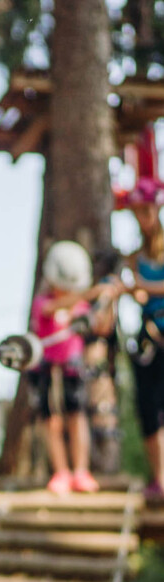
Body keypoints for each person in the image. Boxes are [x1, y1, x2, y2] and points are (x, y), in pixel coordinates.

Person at [28, 240, 119, 494]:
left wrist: (107, 300)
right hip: (46, 370)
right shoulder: (43, 302)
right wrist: (91, 293)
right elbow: (52, 308)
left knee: (77, 418)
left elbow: (102, 328)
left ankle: (80, 471)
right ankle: (61, 472)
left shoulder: (80, 307)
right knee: (52, 422)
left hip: (72, 370)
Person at [122, 179, 164, 500]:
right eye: (137, 212)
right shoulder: (135, 257)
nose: (142, 217)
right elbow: (137, 294)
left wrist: (139, 285)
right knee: (149, 409)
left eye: (145, 210)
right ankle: (159, 479)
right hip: (149, 336)